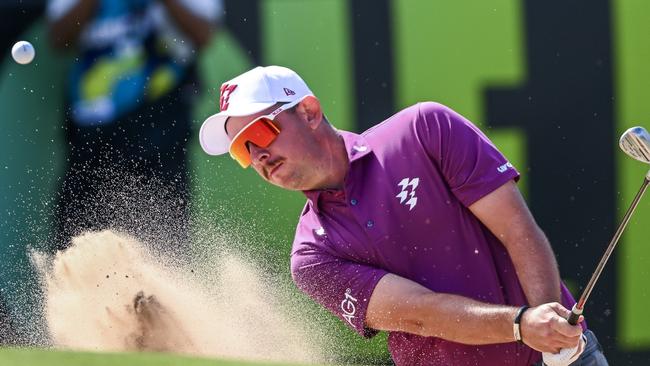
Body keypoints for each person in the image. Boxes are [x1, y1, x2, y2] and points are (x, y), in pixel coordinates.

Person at [199, 66, 609, 365]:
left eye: (260, 133)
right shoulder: (310, 256)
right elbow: (420, 313)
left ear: (308, 111)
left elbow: (518, 231)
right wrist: (523, 324)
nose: (257, 156)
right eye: (242, 151)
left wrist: (553, 336)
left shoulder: (425, 128)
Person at [47, 0, 222, 253]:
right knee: (76, 243)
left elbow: (202, 33)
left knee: (162, 248)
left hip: (160, 128)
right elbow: (58, 38)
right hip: (90, 133)